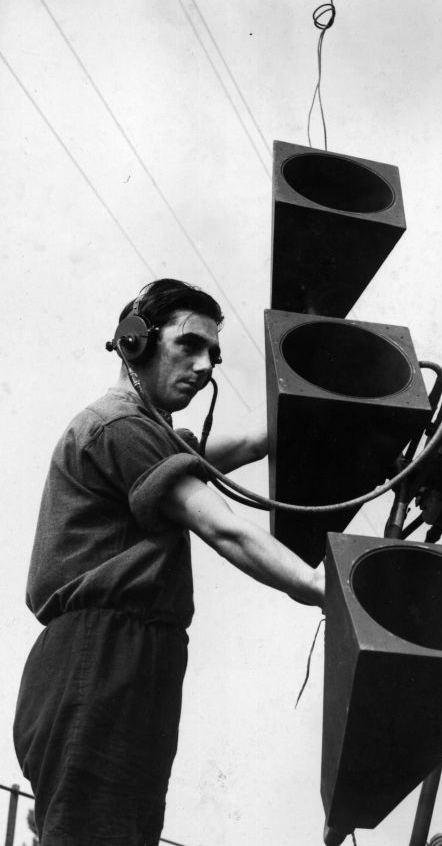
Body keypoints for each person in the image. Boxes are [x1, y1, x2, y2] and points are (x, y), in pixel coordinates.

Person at [13, 279, 326, 846]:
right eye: (189, 345)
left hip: (131, 655)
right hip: (102, 652)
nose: (206, 366)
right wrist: (316, 584)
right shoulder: (120, 426)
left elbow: (251, 442)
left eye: (214, 353)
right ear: (135, 341)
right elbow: (222, 526)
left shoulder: (145, 433)